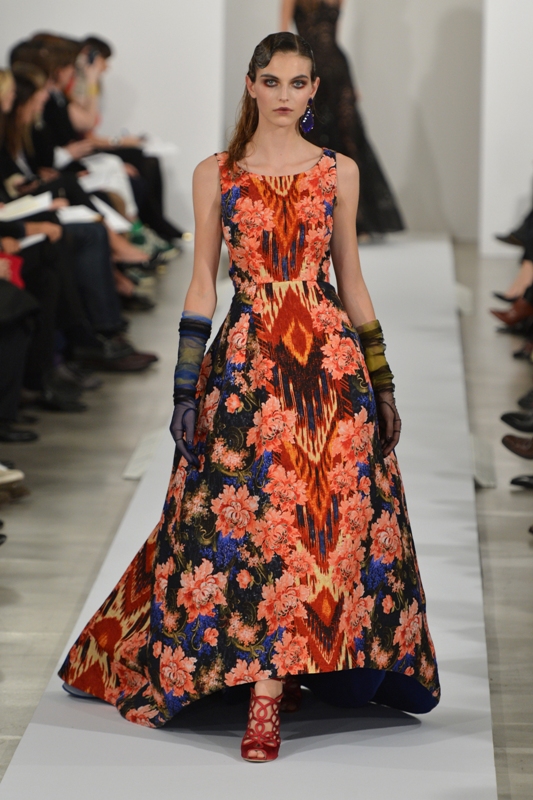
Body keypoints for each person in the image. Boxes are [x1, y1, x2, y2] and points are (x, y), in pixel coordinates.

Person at [59, 33, 440, 763]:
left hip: (329, 363)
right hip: (248, 361)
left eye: (298, 83)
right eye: (272, 81)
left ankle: (291, 674)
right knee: (259, 521)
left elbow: (352, 278)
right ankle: (265, 693)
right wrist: (184, 386)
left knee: (332, 519)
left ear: (314, 91)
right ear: (251, 85)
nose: (285, 95)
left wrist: (383, 381)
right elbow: (201, 282)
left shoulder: (339, 171)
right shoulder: (217, 173)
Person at [280, 0, 404, 238]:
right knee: (311, 138)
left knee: (349, 139)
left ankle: (357, 219)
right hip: (310, 71)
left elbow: (334, 38)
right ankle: (311, 215)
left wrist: (352, 84)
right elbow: (284, 37)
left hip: (338, 72)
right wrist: (289, 77)